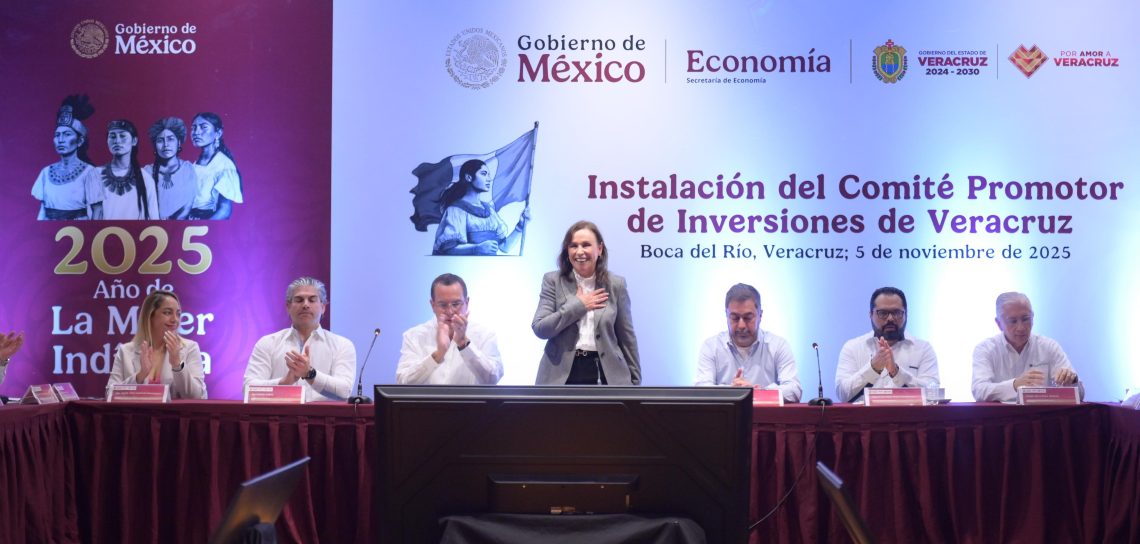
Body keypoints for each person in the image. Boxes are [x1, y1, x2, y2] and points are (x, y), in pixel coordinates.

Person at [532, 220, 640, 385]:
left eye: (586, 245)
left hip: (608, 375)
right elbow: (541, 329)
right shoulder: (552, 280)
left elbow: (627, 338)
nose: (579, 251)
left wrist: (635, 382)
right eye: (573, 246)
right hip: (560, 375)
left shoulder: (616, 284)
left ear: (599, 249)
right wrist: (578, 305)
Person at [243, 277, 356, 401]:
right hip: (279, 413)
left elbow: (344, 391)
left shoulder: (342, 345)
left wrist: (310, 374)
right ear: (288, 307)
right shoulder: (268, 343)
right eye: (299, 300)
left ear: (323, 307)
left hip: (324, 414)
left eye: (312, 300)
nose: (305, 305)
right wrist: (284, 383)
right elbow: (248, 389)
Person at [695, 284, 801, 402]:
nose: (741, 325)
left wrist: (758, 393)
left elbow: (794, 390)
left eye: (748, 318)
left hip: (765, 414)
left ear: (760, 315)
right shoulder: (711, 346)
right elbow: (701, 389)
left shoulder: (778, 345)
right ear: (726, 315)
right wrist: (733, 392)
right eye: (735, 318)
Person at [971, 292, 1084, 402]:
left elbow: (1080, 394)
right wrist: (1014, 385)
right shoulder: (985, 349)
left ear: (1033, 318)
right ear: (999, 323)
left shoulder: (1049, 347)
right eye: (1013, 321)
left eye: (1025, 319)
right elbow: (979, 390)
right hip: (1000, 414)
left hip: (1041, 414)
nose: (1021, 327)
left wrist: (1071, 381)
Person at [835, 286, 940, 403]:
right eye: (883, 313)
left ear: (906, 314)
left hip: (909, 415)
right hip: (864, 415)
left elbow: (933, 395)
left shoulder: (923, 349)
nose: (890, 318)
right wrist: (872, 368)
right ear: (870, 314)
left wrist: (897, 373)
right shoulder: (853, 347)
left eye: (897, 313)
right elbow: (842, 394)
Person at [396, 273, 504, 384]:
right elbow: (403, 382)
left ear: (467, 303)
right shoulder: (414, 336)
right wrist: (438, 354)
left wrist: (464, 343)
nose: (450, 311)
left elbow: (492, 379)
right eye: (443, 305)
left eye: (456, 304)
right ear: (433, 305)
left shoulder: (485, 334)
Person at [105, 290, 207, 399]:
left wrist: (177, 364)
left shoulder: (190, 348)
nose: (175, 319)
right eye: (167, 313)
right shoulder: (125, 351)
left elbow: (198, 396)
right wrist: (140, 375)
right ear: (150, 316)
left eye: (178, 314)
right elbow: (109, 394)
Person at [433, 159, 527, 255]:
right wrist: (476, 248)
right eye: (483, 174)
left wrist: (520, 226)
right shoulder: (455, 210)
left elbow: (504, 247)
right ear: (469, 177)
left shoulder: (489, 210)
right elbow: (448, 249)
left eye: (489, 175)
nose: (489, 179)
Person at [32, 95, 98, 220]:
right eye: (57, 135)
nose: (61, 140)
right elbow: (42, 211)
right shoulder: (46, 172)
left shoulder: (90, 172)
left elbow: (98, 211)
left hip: (79, 229)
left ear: (80, 141)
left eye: (67, 134)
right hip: (51, 229)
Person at [87, 119, 159, 220]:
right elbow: (93, 217)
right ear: (107, 141)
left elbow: (154, 219)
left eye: (122, 136)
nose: (117, 141)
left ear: (134, 141)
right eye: (112, 136)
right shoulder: (95, 175)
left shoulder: (146, 178)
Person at [189, 112, 243, 219]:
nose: (196, 132)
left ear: (218, 133)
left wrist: (205, 226)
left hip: (206, 222)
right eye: (194, 128)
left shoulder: (224, 165)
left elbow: (224, 210)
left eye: (203, 127)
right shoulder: (194, 163)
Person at [145, 117, 197, 219]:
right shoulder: (146, 172)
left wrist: (170, 223)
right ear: (155, 145)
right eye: (160, 140)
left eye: (170, 139)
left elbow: (187, 205)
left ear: (179, 142)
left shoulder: (188, 169)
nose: (166, 145)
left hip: (179, 225)